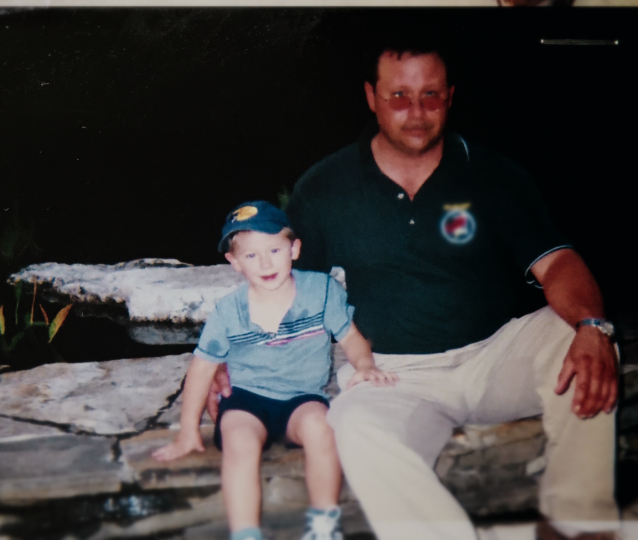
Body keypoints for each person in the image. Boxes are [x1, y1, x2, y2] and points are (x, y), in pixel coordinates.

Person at [207, 44, 619, 540]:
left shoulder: (492, 175)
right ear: (371, 98)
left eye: (430, 96)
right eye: (399, 96)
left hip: (494, 354)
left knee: (584, 341)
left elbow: (558, 263)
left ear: (449, 97)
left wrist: (591, 327)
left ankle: (579, 525)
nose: (417, 113)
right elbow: (284, 287)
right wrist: (231, 360)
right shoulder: (324, 187)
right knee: (352, 426)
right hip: (393, 374)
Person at [153, 200, 398, 540]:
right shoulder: (228, 311)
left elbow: (350, 337)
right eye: (251, 256)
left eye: (274, 249)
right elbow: (201, 369)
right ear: (234, 262)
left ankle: (324, 525)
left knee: (322, 429)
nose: (265, 263)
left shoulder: (322, 291)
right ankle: (245, 534)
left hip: (303, 398)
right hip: (246, 399)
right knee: (240, 442)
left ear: (294, 249)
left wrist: (366, 365)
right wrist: (188, 429)